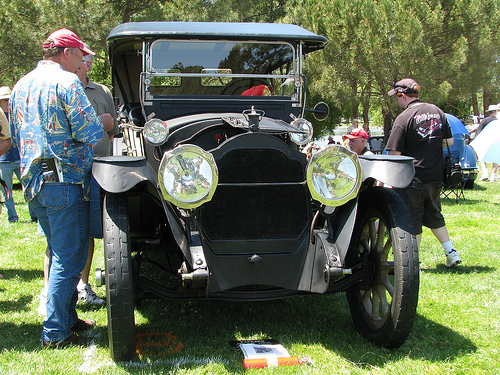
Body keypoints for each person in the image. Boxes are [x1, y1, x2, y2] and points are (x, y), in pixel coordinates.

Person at [9, 28, 105, 348]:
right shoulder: (67, 82)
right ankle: (55, 332)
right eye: (80, 54)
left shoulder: (22, 84)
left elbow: (15, 133)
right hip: (65, 181)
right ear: (66, 53)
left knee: (60, 252)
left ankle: (67, 317)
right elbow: (89, 131)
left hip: (34, 182)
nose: (82, 60)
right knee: (69, 258)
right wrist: (103, 120)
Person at [385, 78, 462, 268]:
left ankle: (414, 263)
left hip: (412, 178)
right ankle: (451, 252)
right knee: (435, 214)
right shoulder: (437, 111)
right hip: (435, 176)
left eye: (397, 97)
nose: (397, 101)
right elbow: (449, 141)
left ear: (403, 95)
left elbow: (394, 153)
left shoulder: (404, 118)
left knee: (413, 220)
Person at [75, 46, 118, 304]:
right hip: (72, 169)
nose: (87, 64)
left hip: (99, 168)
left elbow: (113, 126)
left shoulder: (102, 91)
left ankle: (83, 284)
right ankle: (53, 291)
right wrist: (98, 121)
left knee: (92, 229)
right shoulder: (65, 89)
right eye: (83, 59)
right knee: (66, 231)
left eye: (89, 60)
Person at [0, 86, 37, 223]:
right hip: (4, 160)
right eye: (4, 99)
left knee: (29, 187)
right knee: (7, 191)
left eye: (8, 99)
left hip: (20, 158)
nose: (7, 102)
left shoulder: (18, 114)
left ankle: (34, 215)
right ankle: (13, 217)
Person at [476, 104, 500, 182]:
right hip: (496, 141)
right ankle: (493, 176)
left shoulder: (485, 120)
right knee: (495, 158)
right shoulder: (497, 121)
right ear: (496, 111)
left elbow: (479, 132)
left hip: (485, 141)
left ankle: (485, 173)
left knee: (482, 157)